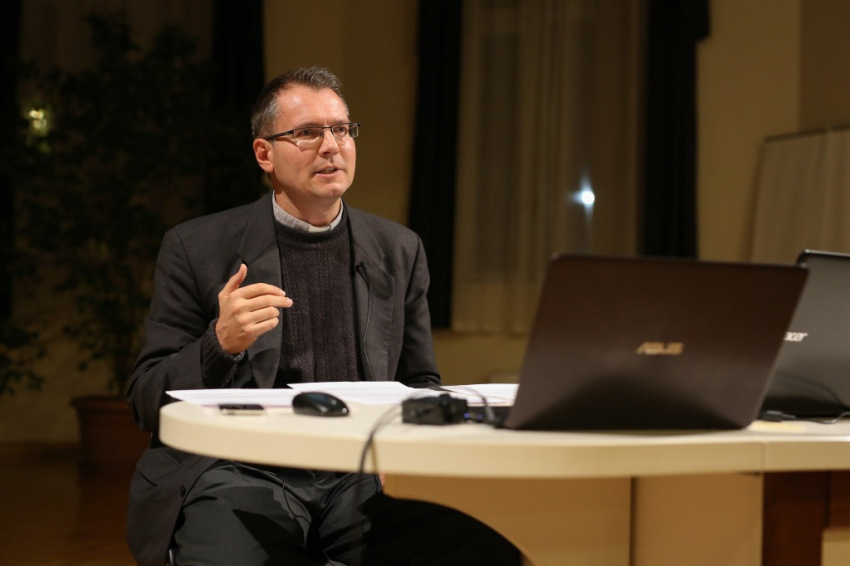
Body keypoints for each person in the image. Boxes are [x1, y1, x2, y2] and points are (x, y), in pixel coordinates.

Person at [126, 66, 521, 566]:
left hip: (358, 472)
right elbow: (146, 399)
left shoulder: (398, 248)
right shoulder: (197, 247)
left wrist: (408, 452)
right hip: (242, 467)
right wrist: (218, 344)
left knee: (481, 543)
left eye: (342, 129)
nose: (331, 146)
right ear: (264, 154)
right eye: (308, 132)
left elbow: (419, 381)